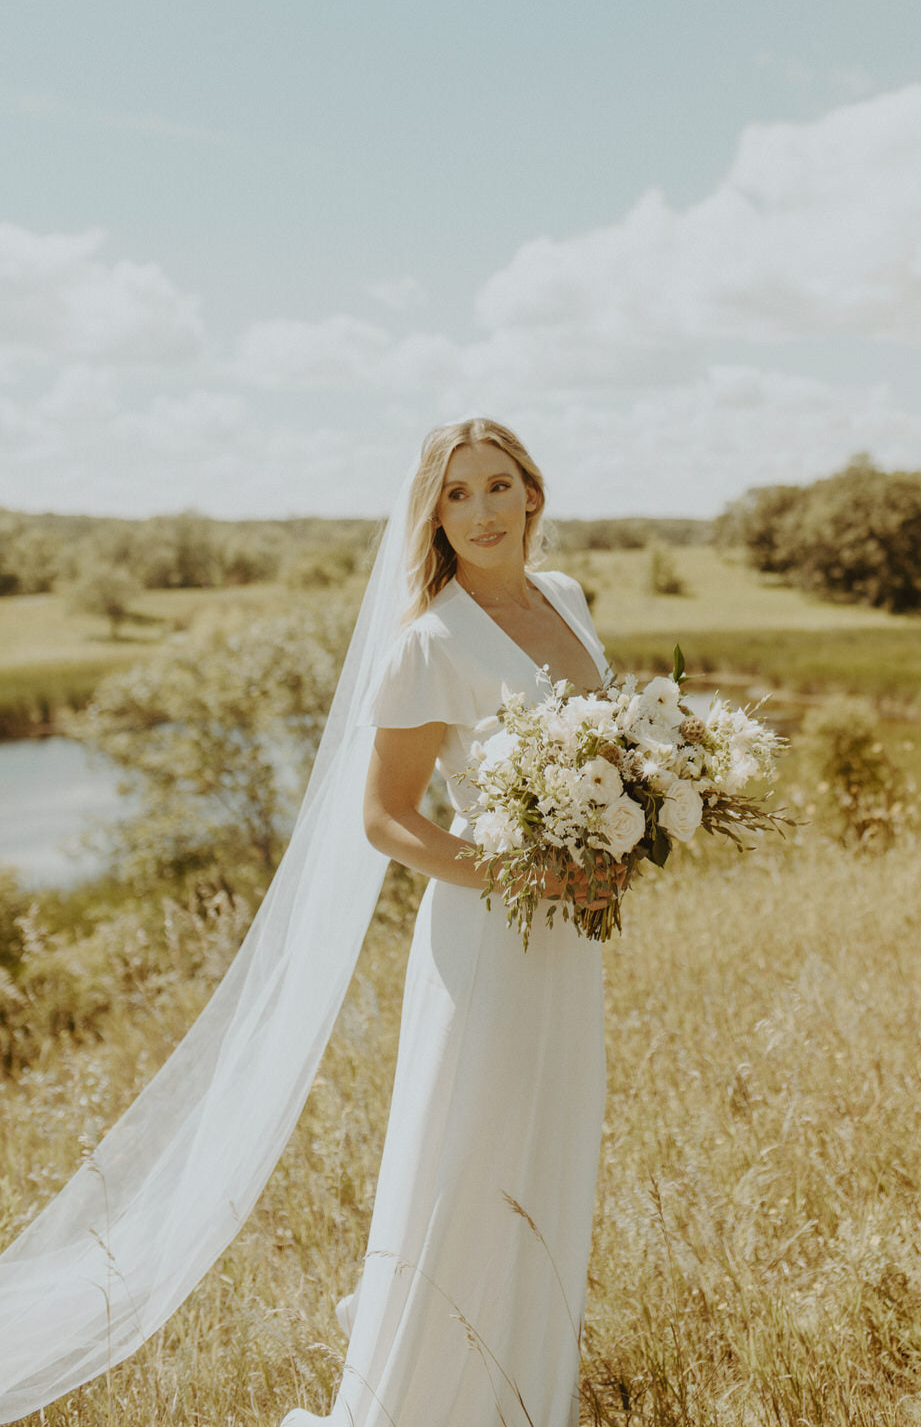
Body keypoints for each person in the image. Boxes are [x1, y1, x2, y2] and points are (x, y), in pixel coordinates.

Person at [0, 418, 612, 1427]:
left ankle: (524, 1393)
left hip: (571, 937)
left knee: (552, 1145)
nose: (482, 511)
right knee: (471, 1159)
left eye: (499, 486)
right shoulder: (429, 642)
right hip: (490, 933)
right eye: (456, 495)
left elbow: (596, 753)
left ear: (534, 493)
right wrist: (532, 876)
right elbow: (387, 818)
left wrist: (621, 834)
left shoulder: (573, 600)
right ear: (432, 514)